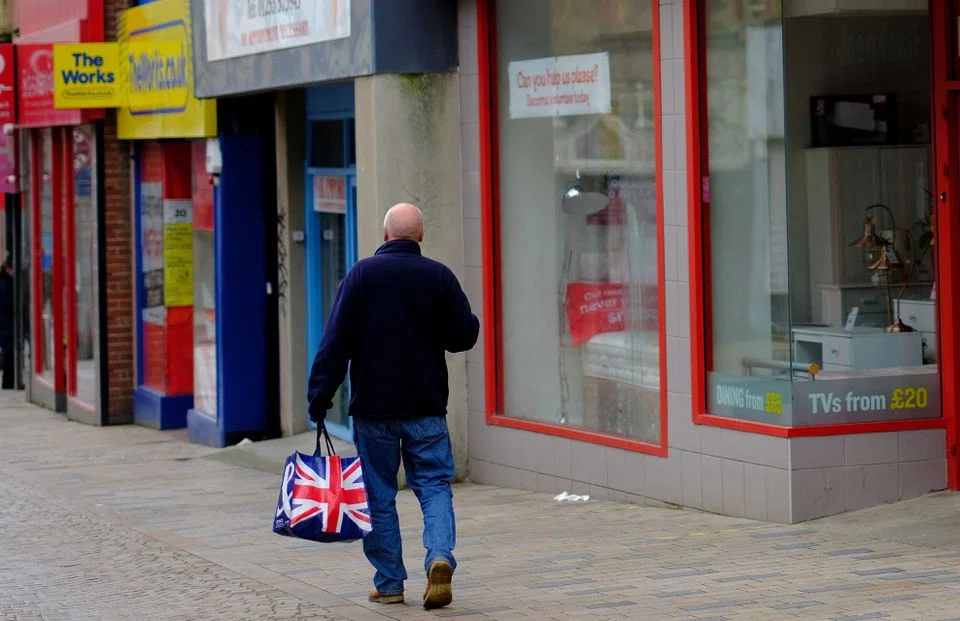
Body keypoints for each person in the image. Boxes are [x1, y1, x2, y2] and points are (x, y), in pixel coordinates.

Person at [307, 202, 479, 610]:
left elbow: (335, 344)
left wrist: (319, 398)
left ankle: (389, 584)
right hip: (426, 407)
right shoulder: (438, 276)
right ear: (420, 237)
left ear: (385, 236)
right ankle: (439, 556)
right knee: (434, 486)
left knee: (379, 495)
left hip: (374, 411)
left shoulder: (361, 275)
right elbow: (463, 336)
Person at [0, 256, 14, 389]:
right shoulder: (5, 282)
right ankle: (8, 382)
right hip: (6, 323)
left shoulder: (5, 281)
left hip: (5, 323)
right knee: (9, 350)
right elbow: (7, 303)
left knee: (8, 350)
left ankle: (9, 381)